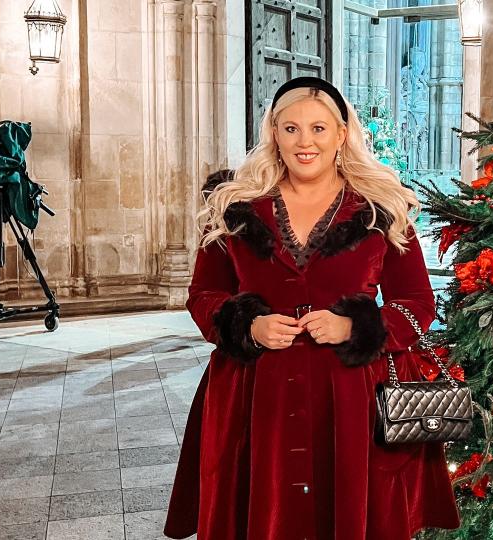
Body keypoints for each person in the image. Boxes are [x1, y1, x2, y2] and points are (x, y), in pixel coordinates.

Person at [163, 77, 461, 540]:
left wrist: (355, 327)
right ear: (274, 133)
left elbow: (418, 302)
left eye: (319, 129)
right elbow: (203, 295)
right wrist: (249, 324)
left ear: (342, 134)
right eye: (292, 129)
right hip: (252, 394)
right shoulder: (234, 207)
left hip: (352, 398)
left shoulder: (381, 208)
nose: (306, 142)